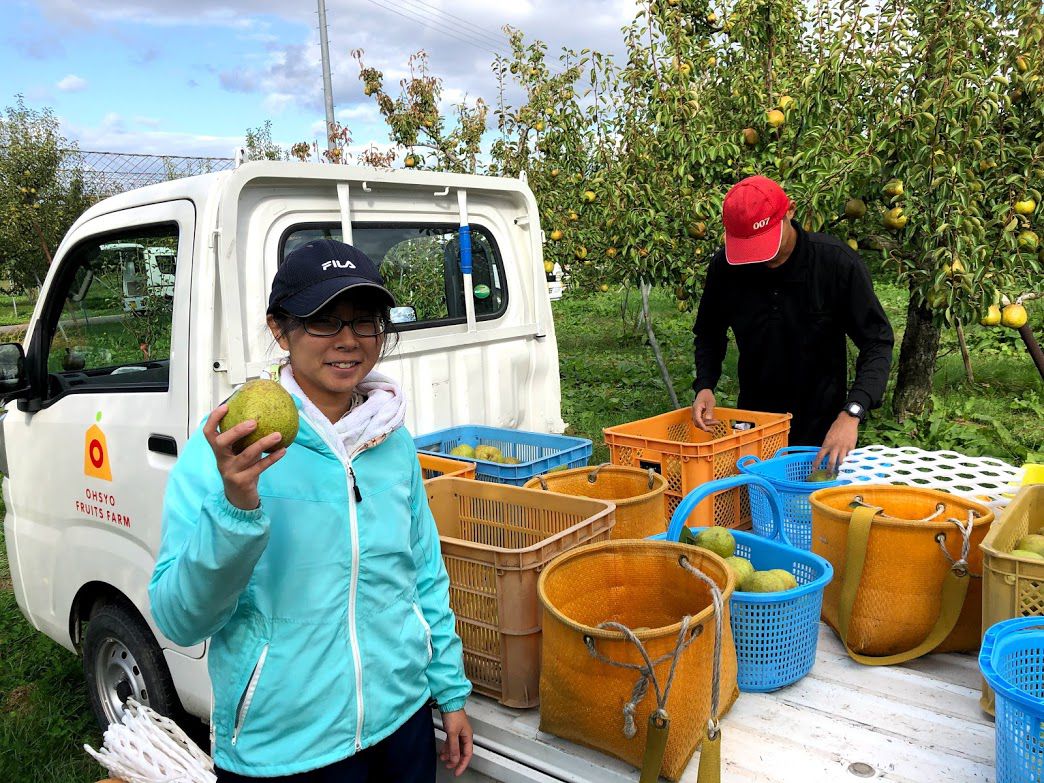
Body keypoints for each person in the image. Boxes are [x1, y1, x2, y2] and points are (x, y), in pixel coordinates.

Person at [149, 239, 473, 782]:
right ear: (280, 330)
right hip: (286, 748)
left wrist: (450, 689)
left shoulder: (391, 441)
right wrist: (235, 507)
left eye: (365, 321)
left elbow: (421, 575)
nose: (349, 341)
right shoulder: (233, 449)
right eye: (324, 321)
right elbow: (181, 620)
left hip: (403, 723)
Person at [690, 176, 894, 470]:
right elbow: (710, 331)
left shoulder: (835, 263)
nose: (759, 259)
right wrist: (705, 385)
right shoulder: (728, 268)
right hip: (756, 420)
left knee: (811, 508)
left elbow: (877, 341)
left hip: (822, 427)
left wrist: (852, 412)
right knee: (756, 504)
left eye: (764, 243)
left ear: (791, 212)